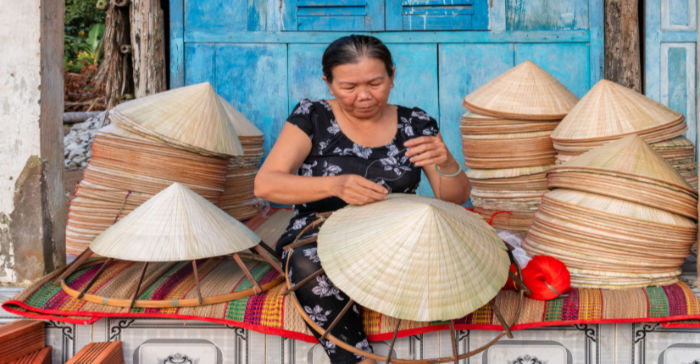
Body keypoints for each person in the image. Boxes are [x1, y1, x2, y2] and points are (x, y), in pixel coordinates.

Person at [254, 35, 470, 364]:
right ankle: (359, 359)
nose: (365, 96)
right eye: (349, 87)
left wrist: (447, 163)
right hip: (321, 231)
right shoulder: (311, 117)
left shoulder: (415, 123)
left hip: (396, 233)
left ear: (393, 76)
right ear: (328, 82)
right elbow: (266, 184)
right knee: (305, 260)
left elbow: (453, 198)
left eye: (375, 83)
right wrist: (334, 186)